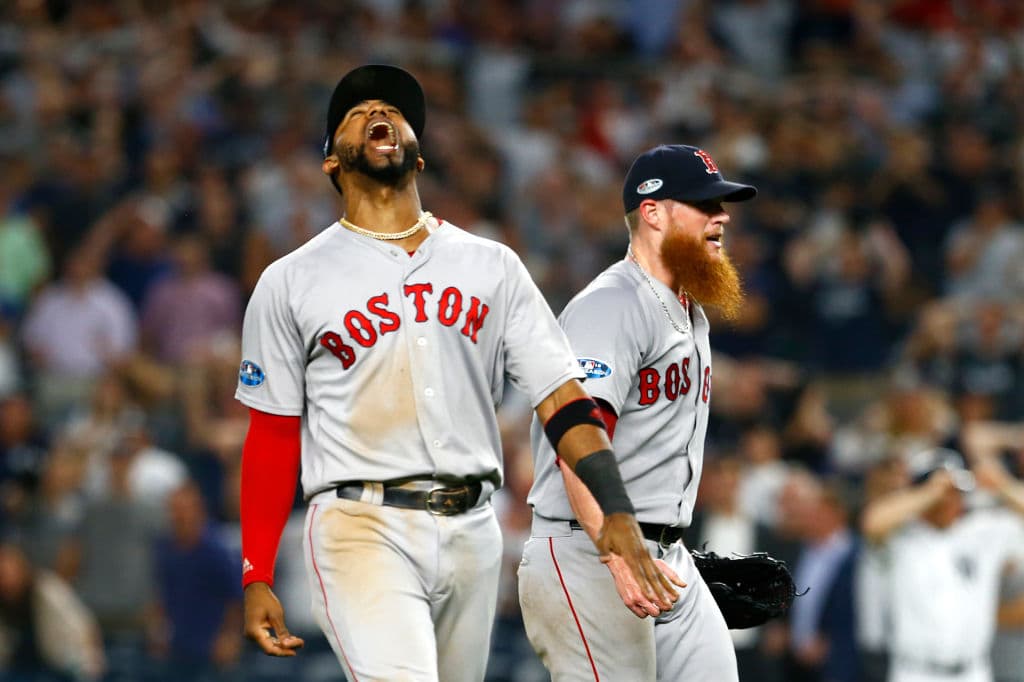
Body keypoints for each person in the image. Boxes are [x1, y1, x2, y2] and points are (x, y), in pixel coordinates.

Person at [235, 64, 676, 682]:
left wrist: (617, 508)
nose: (377, 113)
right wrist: (256, 571)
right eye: (356, 114)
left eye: (393, 109)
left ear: (418, 155)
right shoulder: (291, 279)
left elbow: (564, 400)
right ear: (332, 161)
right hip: (362, 524)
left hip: (475, 529)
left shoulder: (490, 263)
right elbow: (274, 434)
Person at [518, 143, 757, 681]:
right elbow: (576, 438)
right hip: (588, 549)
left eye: (721, 205)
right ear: (652, 212)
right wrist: (615, 549)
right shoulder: (613, 305)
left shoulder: (689, 311)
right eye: (702, 204)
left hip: (667, 555)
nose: (721, 216)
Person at [862, 447, 1024, 682]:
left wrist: (1003, 485)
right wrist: (929, 492)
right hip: (915, 671)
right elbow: (872, 523)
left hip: (973, 670)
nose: (947, 498)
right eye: (941, 491)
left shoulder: (983, 530)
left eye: (954, 491)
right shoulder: (900, 535)